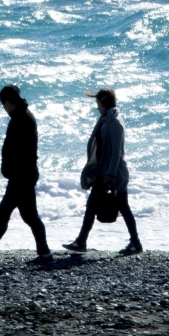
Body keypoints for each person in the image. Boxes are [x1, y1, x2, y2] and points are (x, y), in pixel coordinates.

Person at [0, 84, 52, 264]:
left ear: (9, 102)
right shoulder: (22, 116)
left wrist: (10, 169)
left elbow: (19, 151)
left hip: (21, 176)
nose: (3, 107)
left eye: (3, 103)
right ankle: (44, 253)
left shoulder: (21, 119)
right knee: (25, 216)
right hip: (23, 175)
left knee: (10, 215)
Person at [63, 88, 142, 255]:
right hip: (103, 171)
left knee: (123, 206)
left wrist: (111, 174)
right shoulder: (105, 119)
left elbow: (116, 152)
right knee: (91, 205)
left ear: (104, 103)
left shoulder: (115, 123)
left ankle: (135, 242)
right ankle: (81, 241)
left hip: (115, 174)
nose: (97, 107)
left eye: (98, 103)